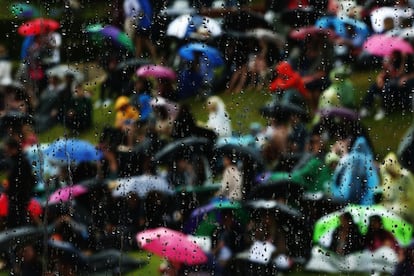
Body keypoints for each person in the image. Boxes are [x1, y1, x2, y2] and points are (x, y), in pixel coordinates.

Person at [2, 137, 37, 228]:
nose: (6, 153)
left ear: (13, 149)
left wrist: (9, 190)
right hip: (17, 196)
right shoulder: (15, 161)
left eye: (7, 150)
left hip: (19, 197)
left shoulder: (20, 162)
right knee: (18, 219)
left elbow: (24, 180)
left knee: (18, 220)